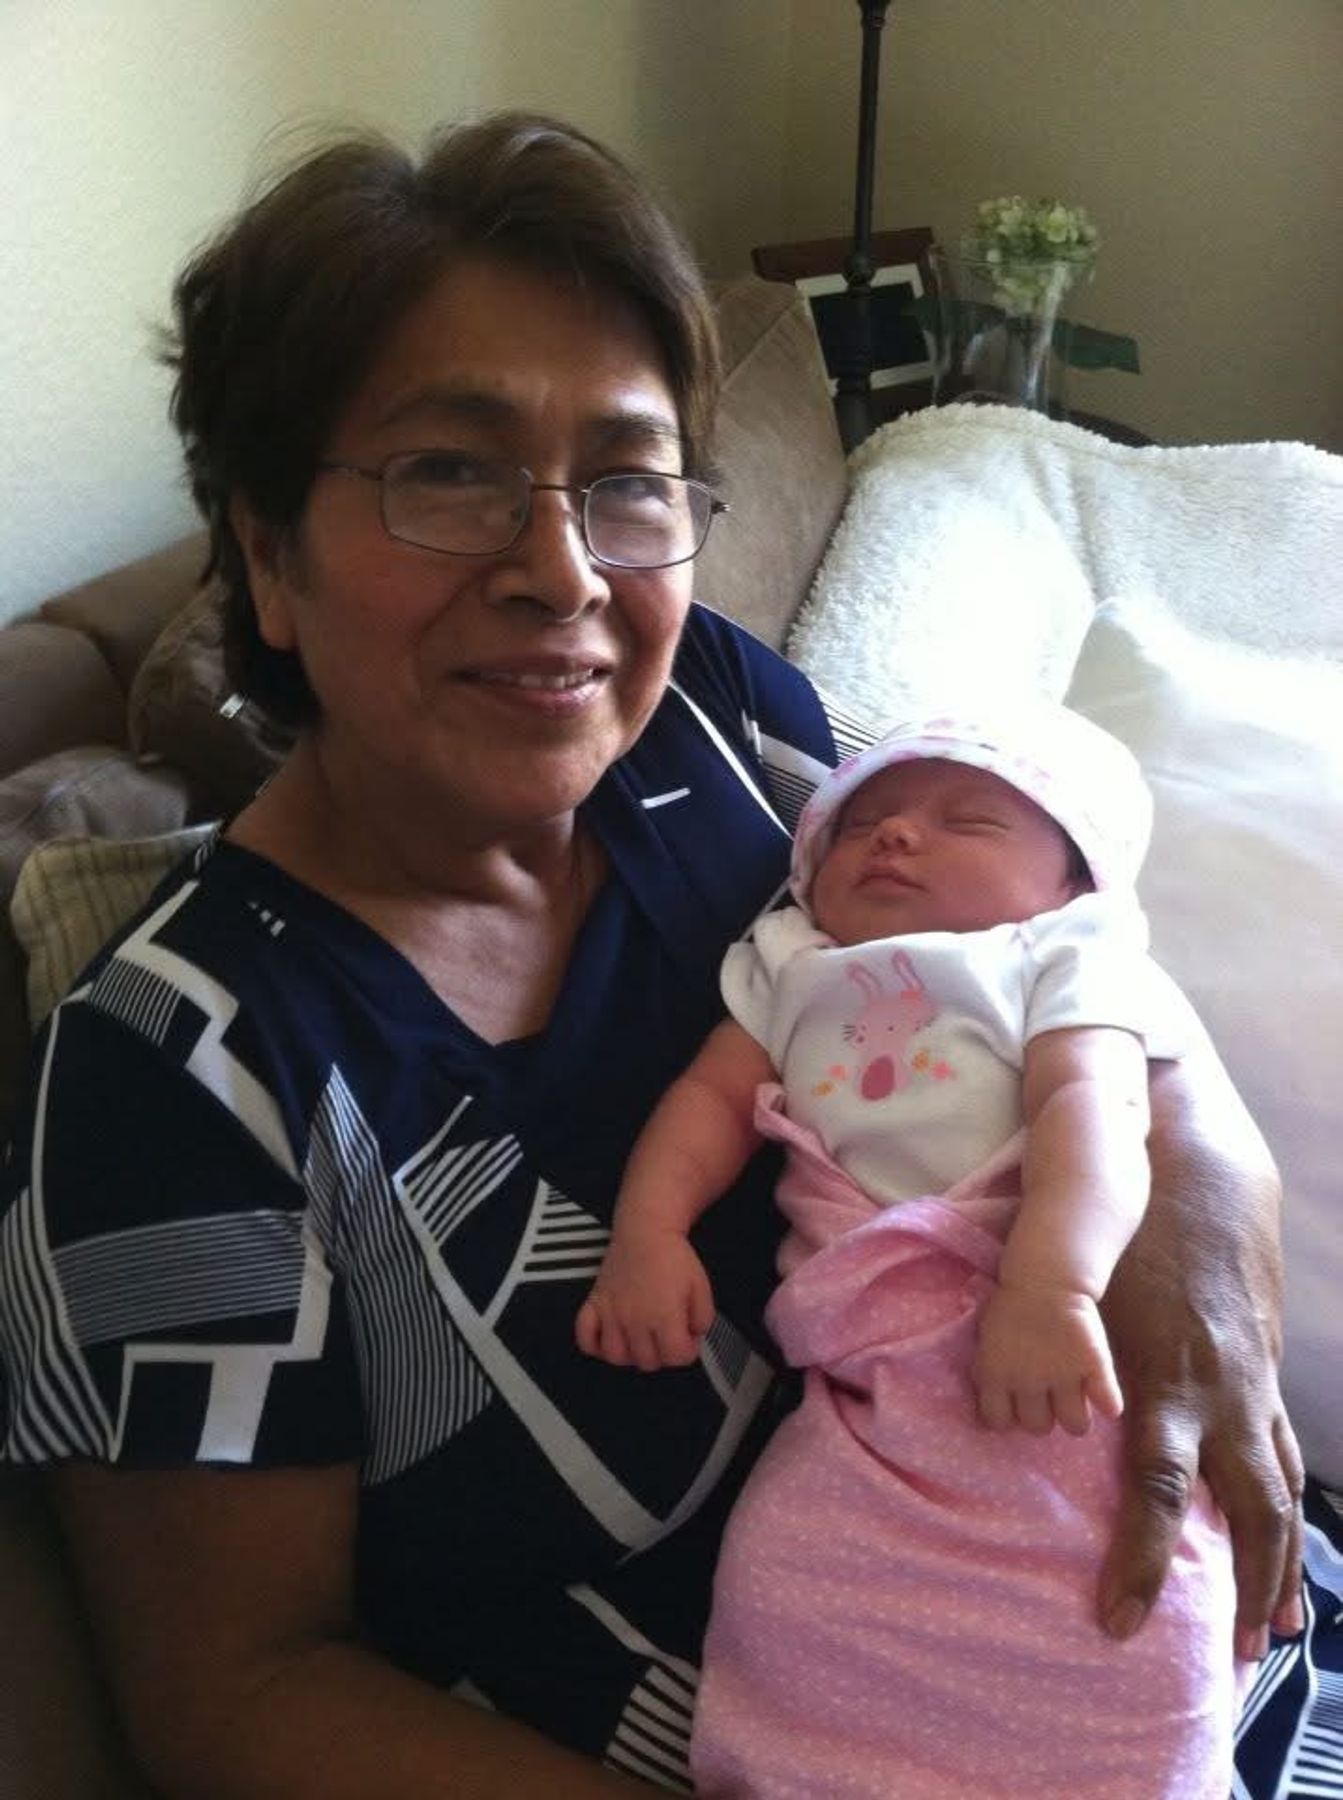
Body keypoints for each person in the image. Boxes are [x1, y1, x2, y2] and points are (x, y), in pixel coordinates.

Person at [0, 113, 1301, 1799]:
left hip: (1181, 1647)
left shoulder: (714, 728)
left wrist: (1203, 1206)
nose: (561, 573)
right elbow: (235, 1700)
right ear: (266, 551)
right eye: (446, 472)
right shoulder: (177, 1077)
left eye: (623, 482)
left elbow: (1046, 947)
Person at [578, 707, 1247, 1795]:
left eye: (968, 820)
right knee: (788, 1567)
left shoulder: (1058, 953)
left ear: (1073, 883)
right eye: (862, 822)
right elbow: (708, 1099)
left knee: (1126, 1588)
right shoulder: (791, 960)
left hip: (1049, 1341)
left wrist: (1051, 1284)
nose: (893, 835)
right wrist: (648, 1232)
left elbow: (1093, 1111)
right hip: (867, 1393)